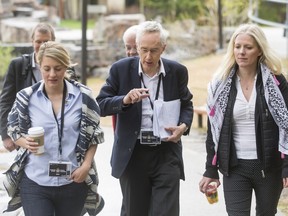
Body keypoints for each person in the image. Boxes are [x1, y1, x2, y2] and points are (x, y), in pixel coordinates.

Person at [96, 21, 193, 216]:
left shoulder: (177, 71)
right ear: (137, 47)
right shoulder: (120, 70)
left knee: (165, 211)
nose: (148, 57)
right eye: (144, 50)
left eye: (154, 50)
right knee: (135, 211)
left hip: (166, 152)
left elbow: (186, 104)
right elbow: (100, 105)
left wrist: (183, 126)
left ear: (163, 48)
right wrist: (124, 99)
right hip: (134, 154)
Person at [4, 41, 105, 216]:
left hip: (73, 181)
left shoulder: (83, 97)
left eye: (58, 68)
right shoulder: (26, 97)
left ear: (66, 66)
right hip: (35, 181)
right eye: (47, 68)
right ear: (39, 66)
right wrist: (25, 142)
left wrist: (86, 166)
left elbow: (94, 135)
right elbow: (12, 129)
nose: (52, 74)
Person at [199, 23, 288, 215]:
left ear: (259, 51)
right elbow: (213, 130)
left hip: (269, 167)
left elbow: (286, 126)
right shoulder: (220, 84)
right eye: (238, 46)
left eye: (248, 47)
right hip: (234, 167)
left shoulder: (276, 82)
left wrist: (287, 167)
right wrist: (210, 169)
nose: (241, 52)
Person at [0, 22, 55, 152]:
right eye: (38, 41)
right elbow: (6, 101)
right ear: (32, 42)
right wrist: (5, 135)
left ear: (54, 42)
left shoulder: (64, 67)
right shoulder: (17, 66)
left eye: (46, 42)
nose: (42, 46)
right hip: (27, 134)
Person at [112, 25, 139, 131]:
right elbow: (104, 103)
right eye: (128, 47)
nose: (132, 52)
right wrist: (124, 100)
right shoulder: (119, 70)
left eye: (136, 47)